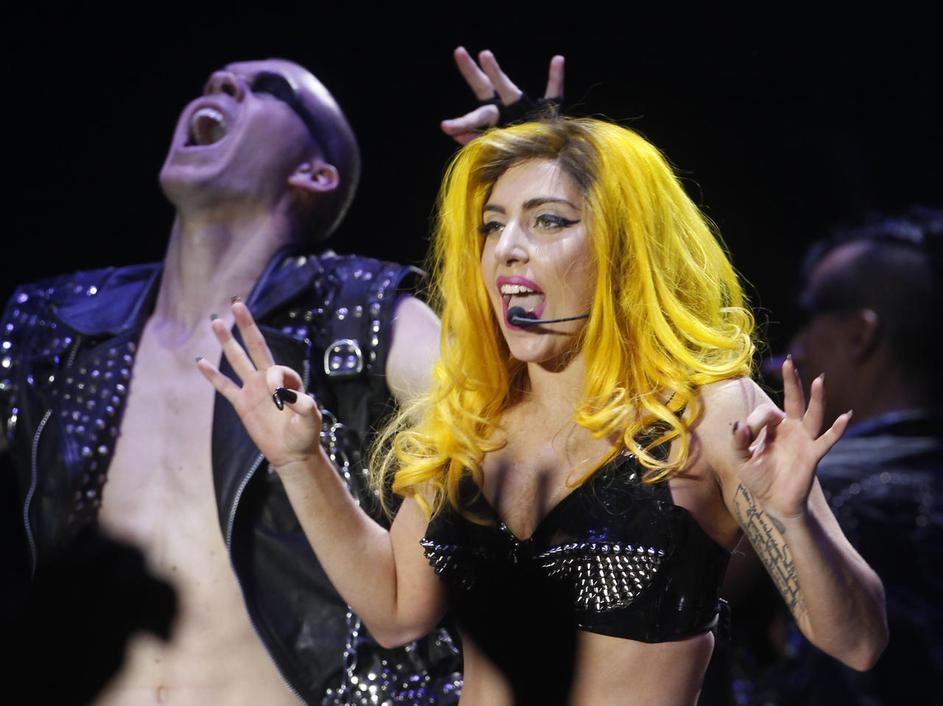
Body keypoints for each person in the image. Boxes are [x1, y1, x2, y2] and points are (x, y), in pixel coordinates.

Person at [200, 117, 889, 705]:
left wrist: (792, 519)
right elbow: (396, 610)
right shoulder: (471, 419)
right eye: (491, 226)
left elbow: (857, 643)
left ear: (623, 246)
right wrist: (300, 460)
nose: (505, 250)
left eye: (548, 220)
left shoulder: (708, 412)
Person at [0, 51, 561, 705]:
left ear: (314, 172)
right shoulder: (54, 325)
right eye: (215, 80)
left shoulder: (364, 312)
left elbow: (525, 398)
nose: (220, 82)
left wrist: (547, 176)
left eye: (265, 88)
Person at [724, 208, 943, 706]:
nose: (783, 356)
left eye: (807, 318)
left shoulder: (805, 488)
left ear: (860, 335)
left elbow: (669, 611)